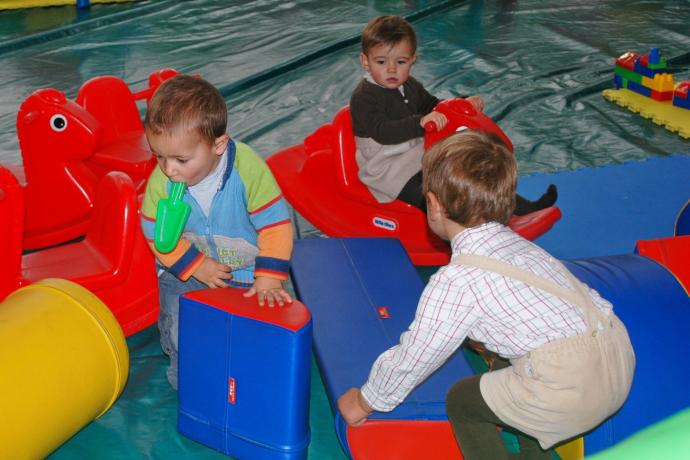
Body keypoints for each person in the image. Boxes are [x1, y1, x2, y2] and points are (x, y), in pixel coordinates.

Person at [337, 130, 635, 459]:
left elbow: (417, 355)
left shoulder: (457, 280)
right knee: (507, 362)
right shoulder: (523, 248)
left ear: (433, 206)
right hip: (618, 360)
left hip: (566, 388)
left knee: (463, 401)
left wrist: (366, 399)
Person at [140, 74, 293, 389]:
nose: (169, 169)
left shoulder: (247, 169)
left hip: (249, 268)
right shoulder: (163, 181)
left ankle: (251, 371)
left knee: (265, 325)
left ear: (218, 144)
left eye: (181, 159)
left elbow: (276, 225)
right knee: (182, 325)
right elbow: (156, 233)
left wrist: (269, 277)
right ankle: (190, 373)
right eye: (159, 156)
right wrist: (197, 266)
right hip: (187, 268)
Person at [350, 15, 557, 214]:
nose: (392, 69)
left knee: (468, 173)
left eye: (401, 62)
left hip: (418, 152)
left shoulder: (410, 85)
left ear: (413, 60)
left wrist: (461, 103)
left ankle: (518, 206)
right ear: (365, 61)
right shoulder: (364, 97)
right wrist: (420, 123)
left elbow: (433, 105)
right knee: (439, 196)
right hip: (388, 168)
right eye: (381, 62)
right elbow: (383, 132)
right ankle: (451, 236)